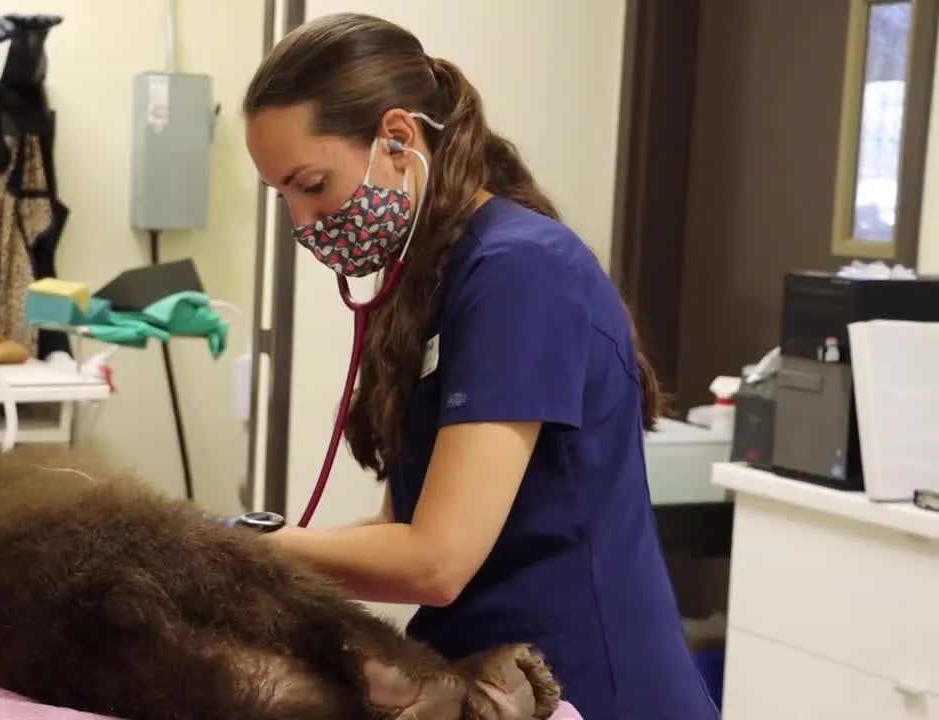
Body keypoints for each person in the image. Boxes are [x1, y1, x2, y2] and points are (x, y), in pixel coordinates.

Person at [243, 13, 719, 720]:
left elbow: (436, 562)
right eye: (282, 195)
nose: (303, 219)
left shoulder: (521, 272)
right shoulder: (428, 281)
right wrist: (239, 551)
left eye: (311, 183)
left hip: (584, 687)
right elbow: (400, 527)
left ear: (398, 140)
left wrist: (260, 554)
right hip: (484, 678)